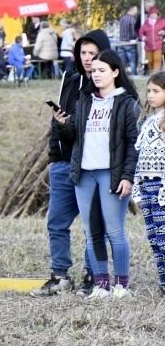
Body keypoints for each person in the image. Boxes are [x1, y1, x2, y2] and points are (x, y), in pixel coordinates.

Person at [53, 49, 141, 300]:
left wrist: (127, 177)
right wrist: (62, 125)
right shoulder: (84, 101)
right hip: (84, 175)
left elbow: (133, 145)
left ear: (115, 72)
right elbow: (73, 137)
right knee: (92, 233)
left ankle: (121, 286)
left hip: (111, 175)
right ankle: (101, 286)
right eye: (94, 71)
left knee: (114, 231)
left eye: (102, 70)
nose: (97, 75)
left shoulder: (127, 103)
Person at [32, 29, 113, 298]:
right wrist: (55, 156)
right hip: (64, 163)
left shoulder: (109, 89)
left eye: (93, 53)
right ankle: (60, 277)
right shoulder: (70, 80)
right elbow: (57, 123)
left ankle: (94, 276)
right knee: (56, 223)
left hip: (92, 166)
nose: (87, 58)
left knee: (94, 225)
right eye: (83, 52)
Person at [132, 71, 165, 297]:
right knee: (154, 237)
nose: (150, 95)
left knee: (163, 237)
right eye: (149, 91)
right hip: (146, 185)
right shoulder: (148, 120)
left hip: (161, 186)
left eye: (156, 91)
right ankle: (163, 281)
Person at [138, 6, 165, 73]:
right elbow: (141, 32)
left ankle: (155, 74)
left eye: (155, 14)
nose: (153, 15)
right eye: (152, 14)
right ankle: (152, 73)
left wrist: (163, 32)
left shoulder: (162, 21)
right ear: (149, 15)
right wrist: (143, 37)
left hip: (158, 45)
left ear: (158, 14)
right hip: (148, 46)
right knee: (150, 61)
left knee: (157, 59)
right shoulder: (146, 23)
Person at [117, 6, 138, 76]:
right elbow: (133, 32)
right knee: (132, 61)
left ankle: (122, 75)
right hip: (129, 43)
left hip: (121, 43)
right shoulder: (132, 19)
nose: (136, 12)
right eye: (135, 10)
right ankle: (134, 75)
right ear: (132, 9)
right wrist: (136, 38)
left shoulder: (122, 19)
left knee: (122, 62)